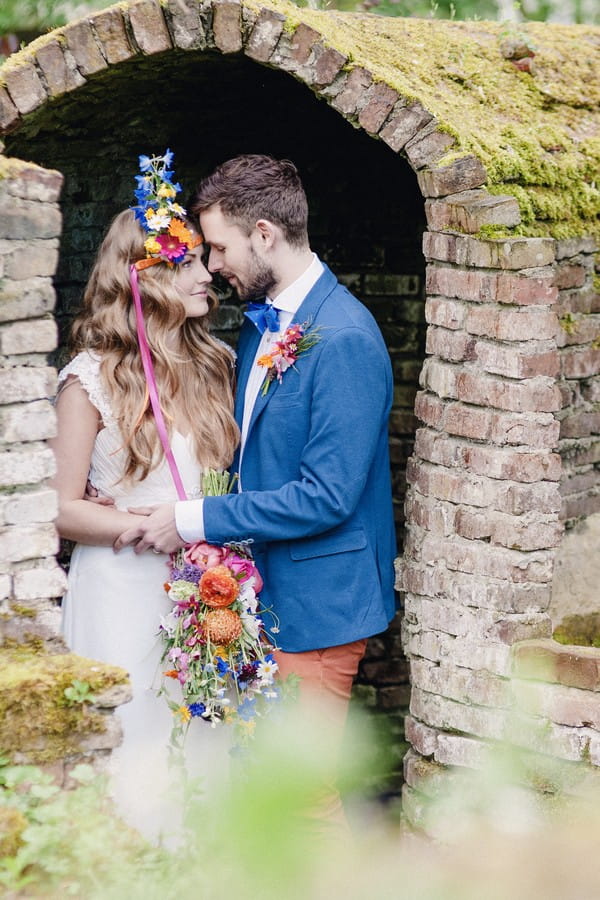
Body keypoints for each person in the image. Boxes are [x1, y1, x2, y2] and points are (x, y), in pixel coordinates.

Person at [115, 154, 397, 829]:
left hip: (319, 608)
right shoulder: (261, 320)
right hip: (264, 595)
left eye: (218, 246)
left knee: (302, 802)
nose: (210, 265)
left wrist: (192, 518)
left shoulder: (346, 339)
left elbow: (326, 497)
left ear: (264, 234)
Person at [51, 150, 239, 842]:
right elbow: (60, 509)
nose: (206, 274)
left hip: (202, 589)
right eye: (185, 262)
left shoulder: (213, 365)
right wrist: (132, 526)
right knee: (132, 753)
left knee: (201, 752)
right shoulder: (90, 379)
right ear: (144, 278)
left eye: (202, 259)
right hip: (121, 588)